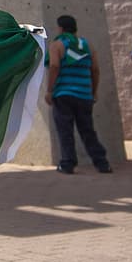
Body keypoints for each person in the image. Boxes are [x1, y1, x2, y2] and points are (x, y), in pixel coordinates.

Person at [44, 15, 111, 173]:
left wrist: (49, 90)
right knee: (87, 130)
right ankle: (102, 163)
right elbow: (95, 70)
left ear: (60, 28)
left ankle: (67, 163)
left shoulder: (57, 45)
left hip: (63, 94)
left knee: (65, 130)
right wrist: (93, 91)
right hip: (84, 94)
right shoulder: (87, 46)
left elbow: (54, 66)